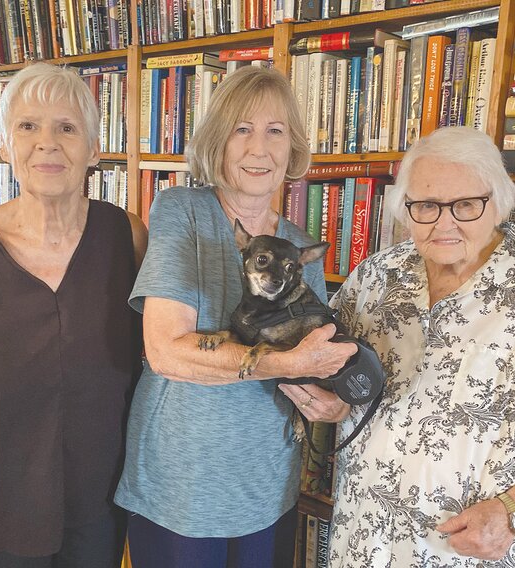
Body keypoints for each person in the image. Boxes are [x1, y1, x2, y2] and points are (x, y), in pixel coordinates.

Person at [327, 127, 515, 567]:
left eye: (466, 205)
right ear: (404, 209)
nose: (444, 223)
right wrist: (325, 400)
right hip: (364, 539)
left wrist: (512, 512)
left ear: (498, 204)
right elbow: (330, 368)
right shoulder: (375, 275)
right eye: (426, 206)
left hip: (475, 550)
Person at [114, 65, 358, 568]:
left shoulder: (296, 245)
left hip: (266, 480)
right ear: (218, 142)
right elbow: (165, 351)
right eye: (242, 129)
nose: (259, 148)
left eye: (275, 131)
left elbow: (309, 362)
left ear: (291, 148)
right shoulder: (182, 211)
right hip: (181, 481)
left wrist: (330, 403)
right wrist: (282, 365)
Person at [0, 62, 147, 568]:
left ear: (93, 148)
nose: (48, 142)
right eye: (28, 126)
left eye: (67, 127)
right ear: (4, 146)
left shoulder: (126, 236)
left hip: (99, 500)